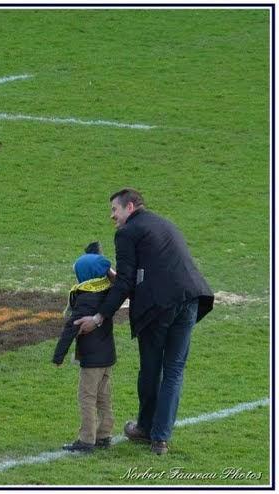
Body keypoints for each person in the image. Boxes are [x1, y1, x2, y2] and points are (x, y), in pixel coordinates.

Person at [74, 188, 214, 455]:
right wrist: (112, 275)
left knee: (151, 368)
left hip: (159, 307)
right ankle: (160, 440)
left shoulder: (127, 232)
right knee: (174, 371)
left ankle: (145, 428)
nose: (112, 216)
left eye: (114, 209)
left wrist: (99, 316)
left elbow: (126, 282)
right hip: (191, 298)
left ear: (130, 207)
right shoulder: (163, 223)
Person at [53, 242, 117, 453]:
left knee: (87, 397)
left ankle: (86, 440)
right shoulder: (107, 292)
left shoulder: (85, 299)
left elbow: (70, 329)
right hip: (107, 356)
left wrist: (59, 356)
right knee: (103, 396)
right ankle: (104, 435)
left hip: (91, 358)